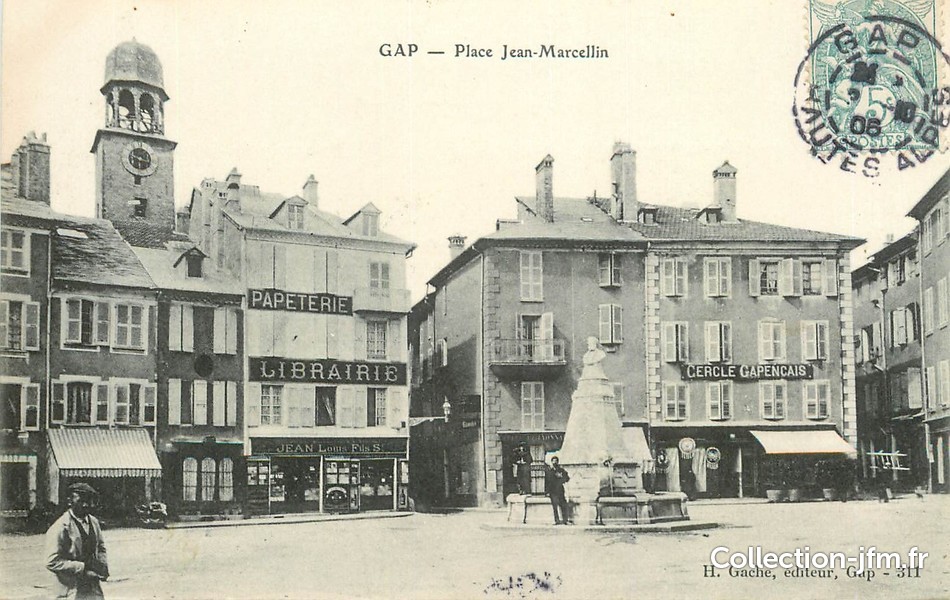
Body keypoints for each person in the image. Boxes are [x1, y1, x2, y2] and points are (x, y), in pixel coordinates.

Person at [46, 482, 109, 600]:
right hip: (70, 588)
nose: (86, 505)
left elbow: (100, 547)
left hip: (92, 587)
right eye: (81, 501)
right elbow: (52, 561)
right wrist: (83, 568)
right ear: (70, 501)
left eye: (89, 501)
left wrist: (102, 566)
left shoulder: (93, 522)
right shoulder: (61, 526)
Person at [546, 456, 572, 525]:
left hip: (560, 490)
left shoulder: (561, 470)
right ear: (551, 462)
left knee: (563, 505)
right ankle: (556, 520)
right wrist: (547, 492)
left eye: (556, 461)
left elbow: (567, 478)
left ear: (558, 462)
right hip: (552, 491)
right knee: (555, 506)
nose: (555, 462)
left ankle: (565, 520)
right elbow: (547, 482)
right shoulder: (549, 471)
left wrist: (561, 477)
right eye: (553, 461)